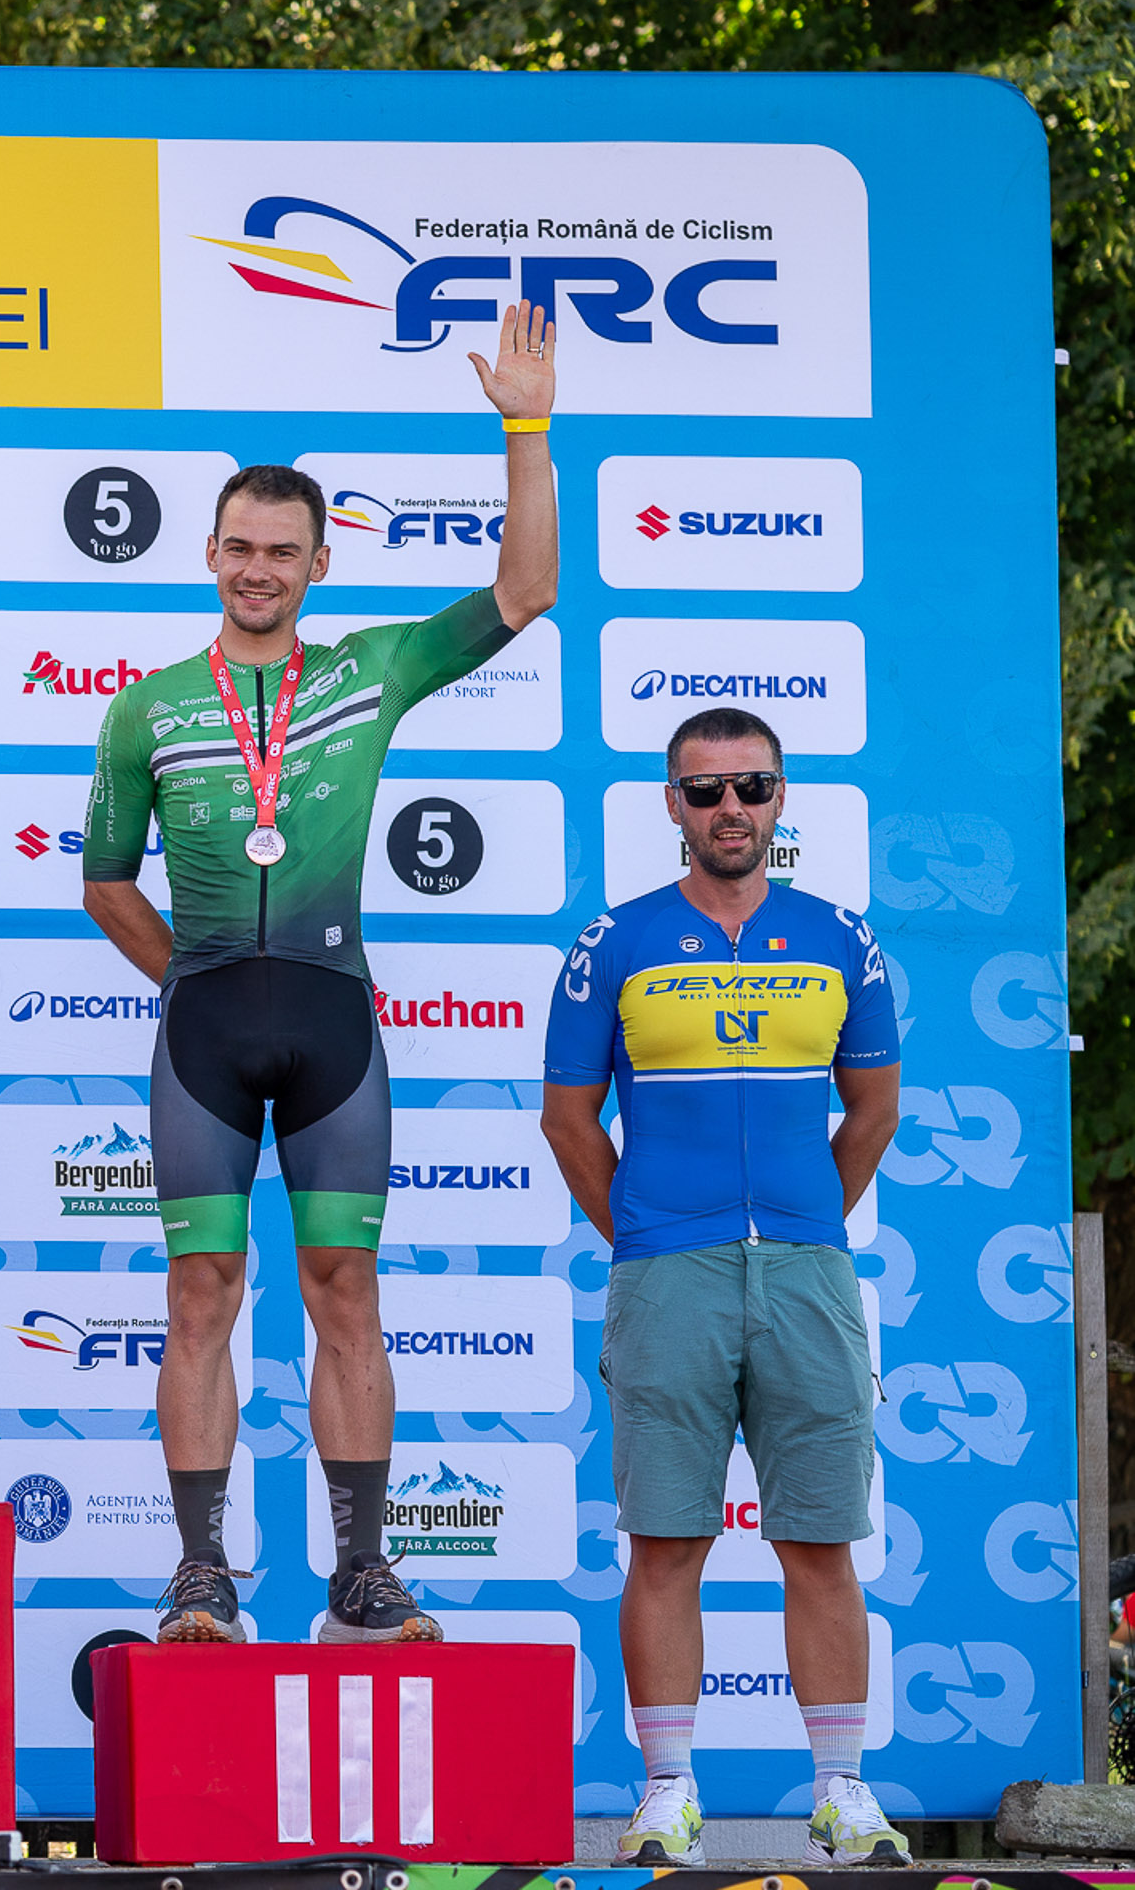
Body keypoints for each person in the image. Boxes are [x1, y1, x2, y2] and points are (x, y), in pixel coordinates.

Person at [80, 301, 559, 1642]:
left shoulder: (370, 670)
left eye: (281, 552)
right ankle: (199, 1573)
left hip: (334, 1023)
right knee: (200, 1295)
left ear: (318, 562)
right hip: (206, 1030)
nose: (257, 571)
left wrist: (525, 428)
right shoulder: (146, 707)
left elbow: (524, 591)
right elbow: (103, 882)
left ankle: (359, 1572)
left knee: (345, 1289)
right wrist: (191, 977)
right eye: (238, 547)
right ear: (208, 553)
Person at [541, 707, 903, 1868]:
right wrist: (647, 1234)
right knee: (664, 1539)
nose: (729, 808)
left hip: (806, 1269)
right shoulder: (614, 941)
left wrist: (806, 1224)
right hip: (665, 1271)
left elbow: (873, 1109)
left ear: (779, 795)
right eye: (704, 791)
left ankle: (841, 1789)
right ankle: (666, 1793)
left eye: (750, 786)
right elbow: (567, 1119)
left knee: (821, 1538)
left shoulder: (841, 938)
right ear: (672, 804)